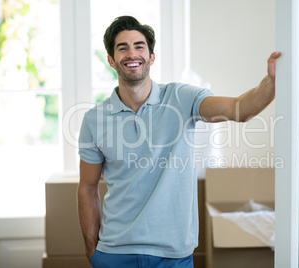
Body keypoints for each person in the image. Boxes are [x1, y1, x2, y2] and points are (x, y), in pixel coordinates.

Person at [78, 15, 281, 268]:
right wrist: (92, 251)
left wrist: (272, 82)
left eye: (139, 46)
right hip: (115, 253)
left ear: (152, 57)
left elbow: (237, 109)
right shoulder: (95, 119)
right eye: (123, 48)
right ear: (111, 59)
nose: (132, 54)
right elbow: (87, 188)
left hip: (173, 256)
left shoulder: (182, 98)